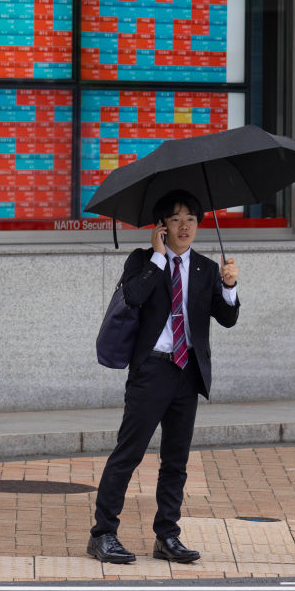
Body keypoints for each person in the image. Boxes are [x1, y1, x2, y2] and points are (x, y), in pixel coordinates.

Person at [87, 189, 240, 565]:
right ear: (161, 226)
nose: (184, 225)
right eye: (174, 219)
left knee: (176, 459)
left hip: (187, 373)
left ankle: (167, 535)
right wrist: (157, 258)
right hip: (151, 369)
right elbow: (135, 298)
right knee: (129, 453)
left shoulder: (205, 268)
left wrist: (231, 286)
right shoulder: (142, 261)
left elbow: (227, 317)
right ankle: (102, 534)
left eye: (190, 218)